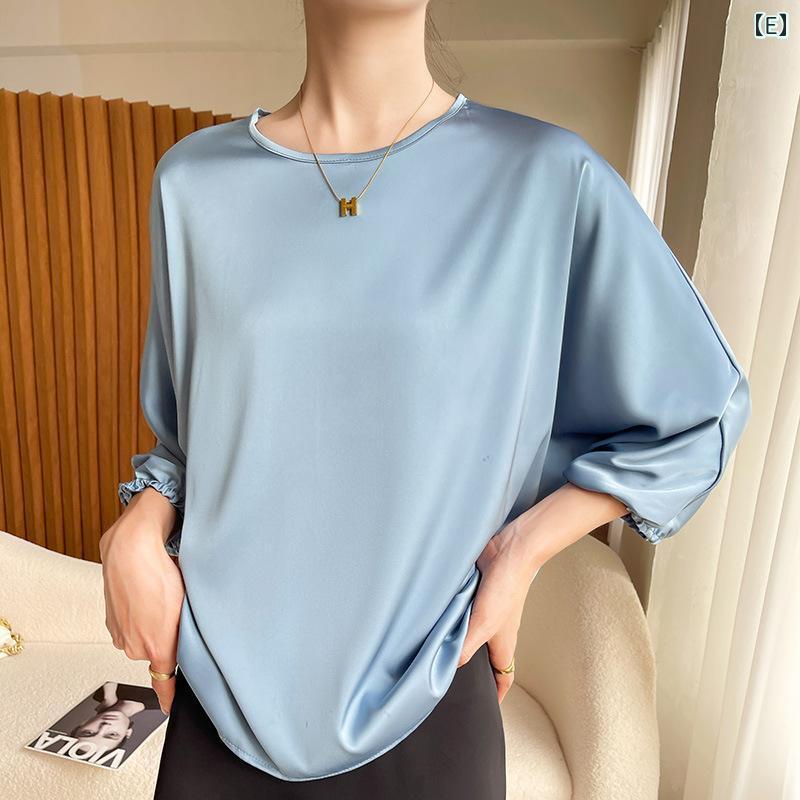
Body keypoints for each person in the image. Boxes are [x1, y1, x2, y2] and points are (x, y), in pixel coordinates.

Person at [98, 0, 752, 797]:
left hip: (433, 687)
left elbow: (700, 410)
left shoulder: (544, 176)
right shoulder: (194, 182)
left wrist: (523, 549)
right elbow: (189, 440)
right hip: (221, 690)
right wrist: (138, 527)